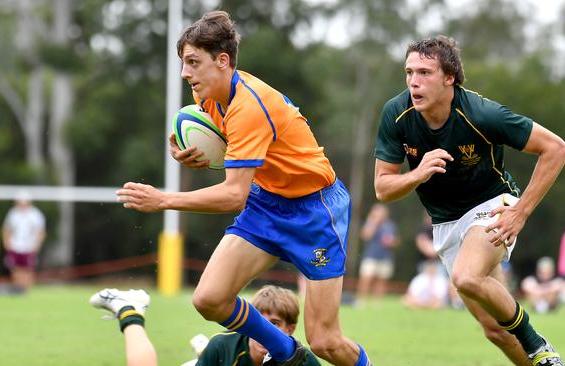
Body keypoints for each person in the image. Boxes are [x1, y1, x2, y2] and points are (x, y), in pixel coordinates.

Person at [116, 11, 372, 366]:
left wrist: (163, 200)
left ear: (223, 61)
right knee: (209, 299)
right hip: (268, 203)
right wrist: (187, 151)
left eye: (193, 62)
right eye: (183, 63)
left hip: (315, 212)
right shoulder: (208, 99)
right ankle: (284, 351)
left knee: (326, 342)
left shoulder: (249, 106)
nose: (185, 73)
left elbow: (234, 195)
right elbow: (213, 143)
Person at [373, 36, 565, 366]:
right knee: (496, 330)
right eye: (409, 73)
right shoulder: (397, 114)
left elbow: (556, 149)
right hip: (446, 225)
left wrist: (520, 212)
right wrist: (417, 174)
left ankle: (538, 344)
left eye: (424, 73)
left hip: (493, 206)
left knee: (466, 276)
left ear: (449, 77)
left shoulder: (482, 113)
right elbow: (383, 188)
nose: (413, 82)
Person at [90, 286, 321, 366]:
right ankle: (129, 308)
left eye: (274, 324)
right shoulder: (222, 346)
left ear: (290, 329)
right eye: (260, 323)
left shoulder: (302, 360)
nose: (264, 333)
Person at [2, 190, 46, 293]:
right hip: (15, 246)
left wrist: (37, 245)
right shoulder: (13, 214)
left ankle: (26, 290)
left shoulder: (35, 214)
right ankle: (18, 289)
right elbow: (7, 230)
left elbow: (40, 232)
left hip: (29, 246)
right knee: (15, 268)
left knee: (28, 268)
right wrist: (7, 244)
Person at [357, 203, 399, 301]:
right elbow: (365, 236)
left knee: (382, 281)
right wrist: (374, 222)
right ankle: (361, 301)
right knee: (366, 279)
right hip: (370, 256)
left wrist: (391, 242)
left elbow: (396, 241)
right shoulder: (370, 223)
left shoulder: (390, 225)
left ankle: (378, 302)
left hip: (386, 257)